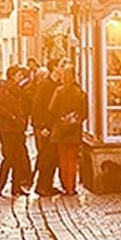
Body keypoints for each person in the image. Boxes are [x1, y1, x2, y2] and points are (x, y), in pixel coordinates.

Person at [0, 65, 33, 198]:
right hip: (7, 128)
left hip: (18, 128)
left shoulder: (19, 89)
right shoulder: (3, 89)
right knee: (8, 158)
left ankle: (16, 188)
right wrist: (12, 117)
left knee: (18, 158)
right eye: (19, 75)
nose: (21, 77)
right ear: (12, 75)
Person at [51, 65, 89, 196]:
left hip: (61, 130)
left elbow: (52, 109)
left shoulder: (58, 91)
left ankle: (65, 186)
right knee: (72, 160)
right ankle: (71, 187)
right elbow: (84, 114)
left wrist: (62, 119)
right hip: (74, 131)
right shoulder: (80, 93)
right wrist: (74, 120)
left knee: (63, 159)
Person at [29, 59, 61, 195]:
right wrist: (42, 126)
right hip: (45, 128)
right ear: (54, 68)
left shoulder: (58, 84)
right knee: (45, 157)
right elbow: (37, 107)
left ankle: (48, 184)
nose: (62, 68)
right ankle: (41, 186)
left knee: (53, 157)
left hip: (55, 127)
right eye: (61, 66)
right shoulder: (45, 85)